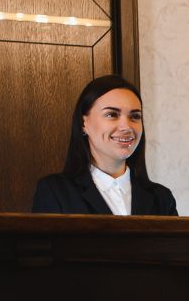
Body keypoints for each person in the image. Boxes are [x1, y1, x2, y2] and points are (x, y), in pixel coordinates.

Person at [32, 75, 178, 216]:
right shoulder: (56, 191)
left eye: (135, 116)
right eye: (111, 114)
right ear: (84, 123)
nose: (126, 126)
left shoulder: (162, 198)